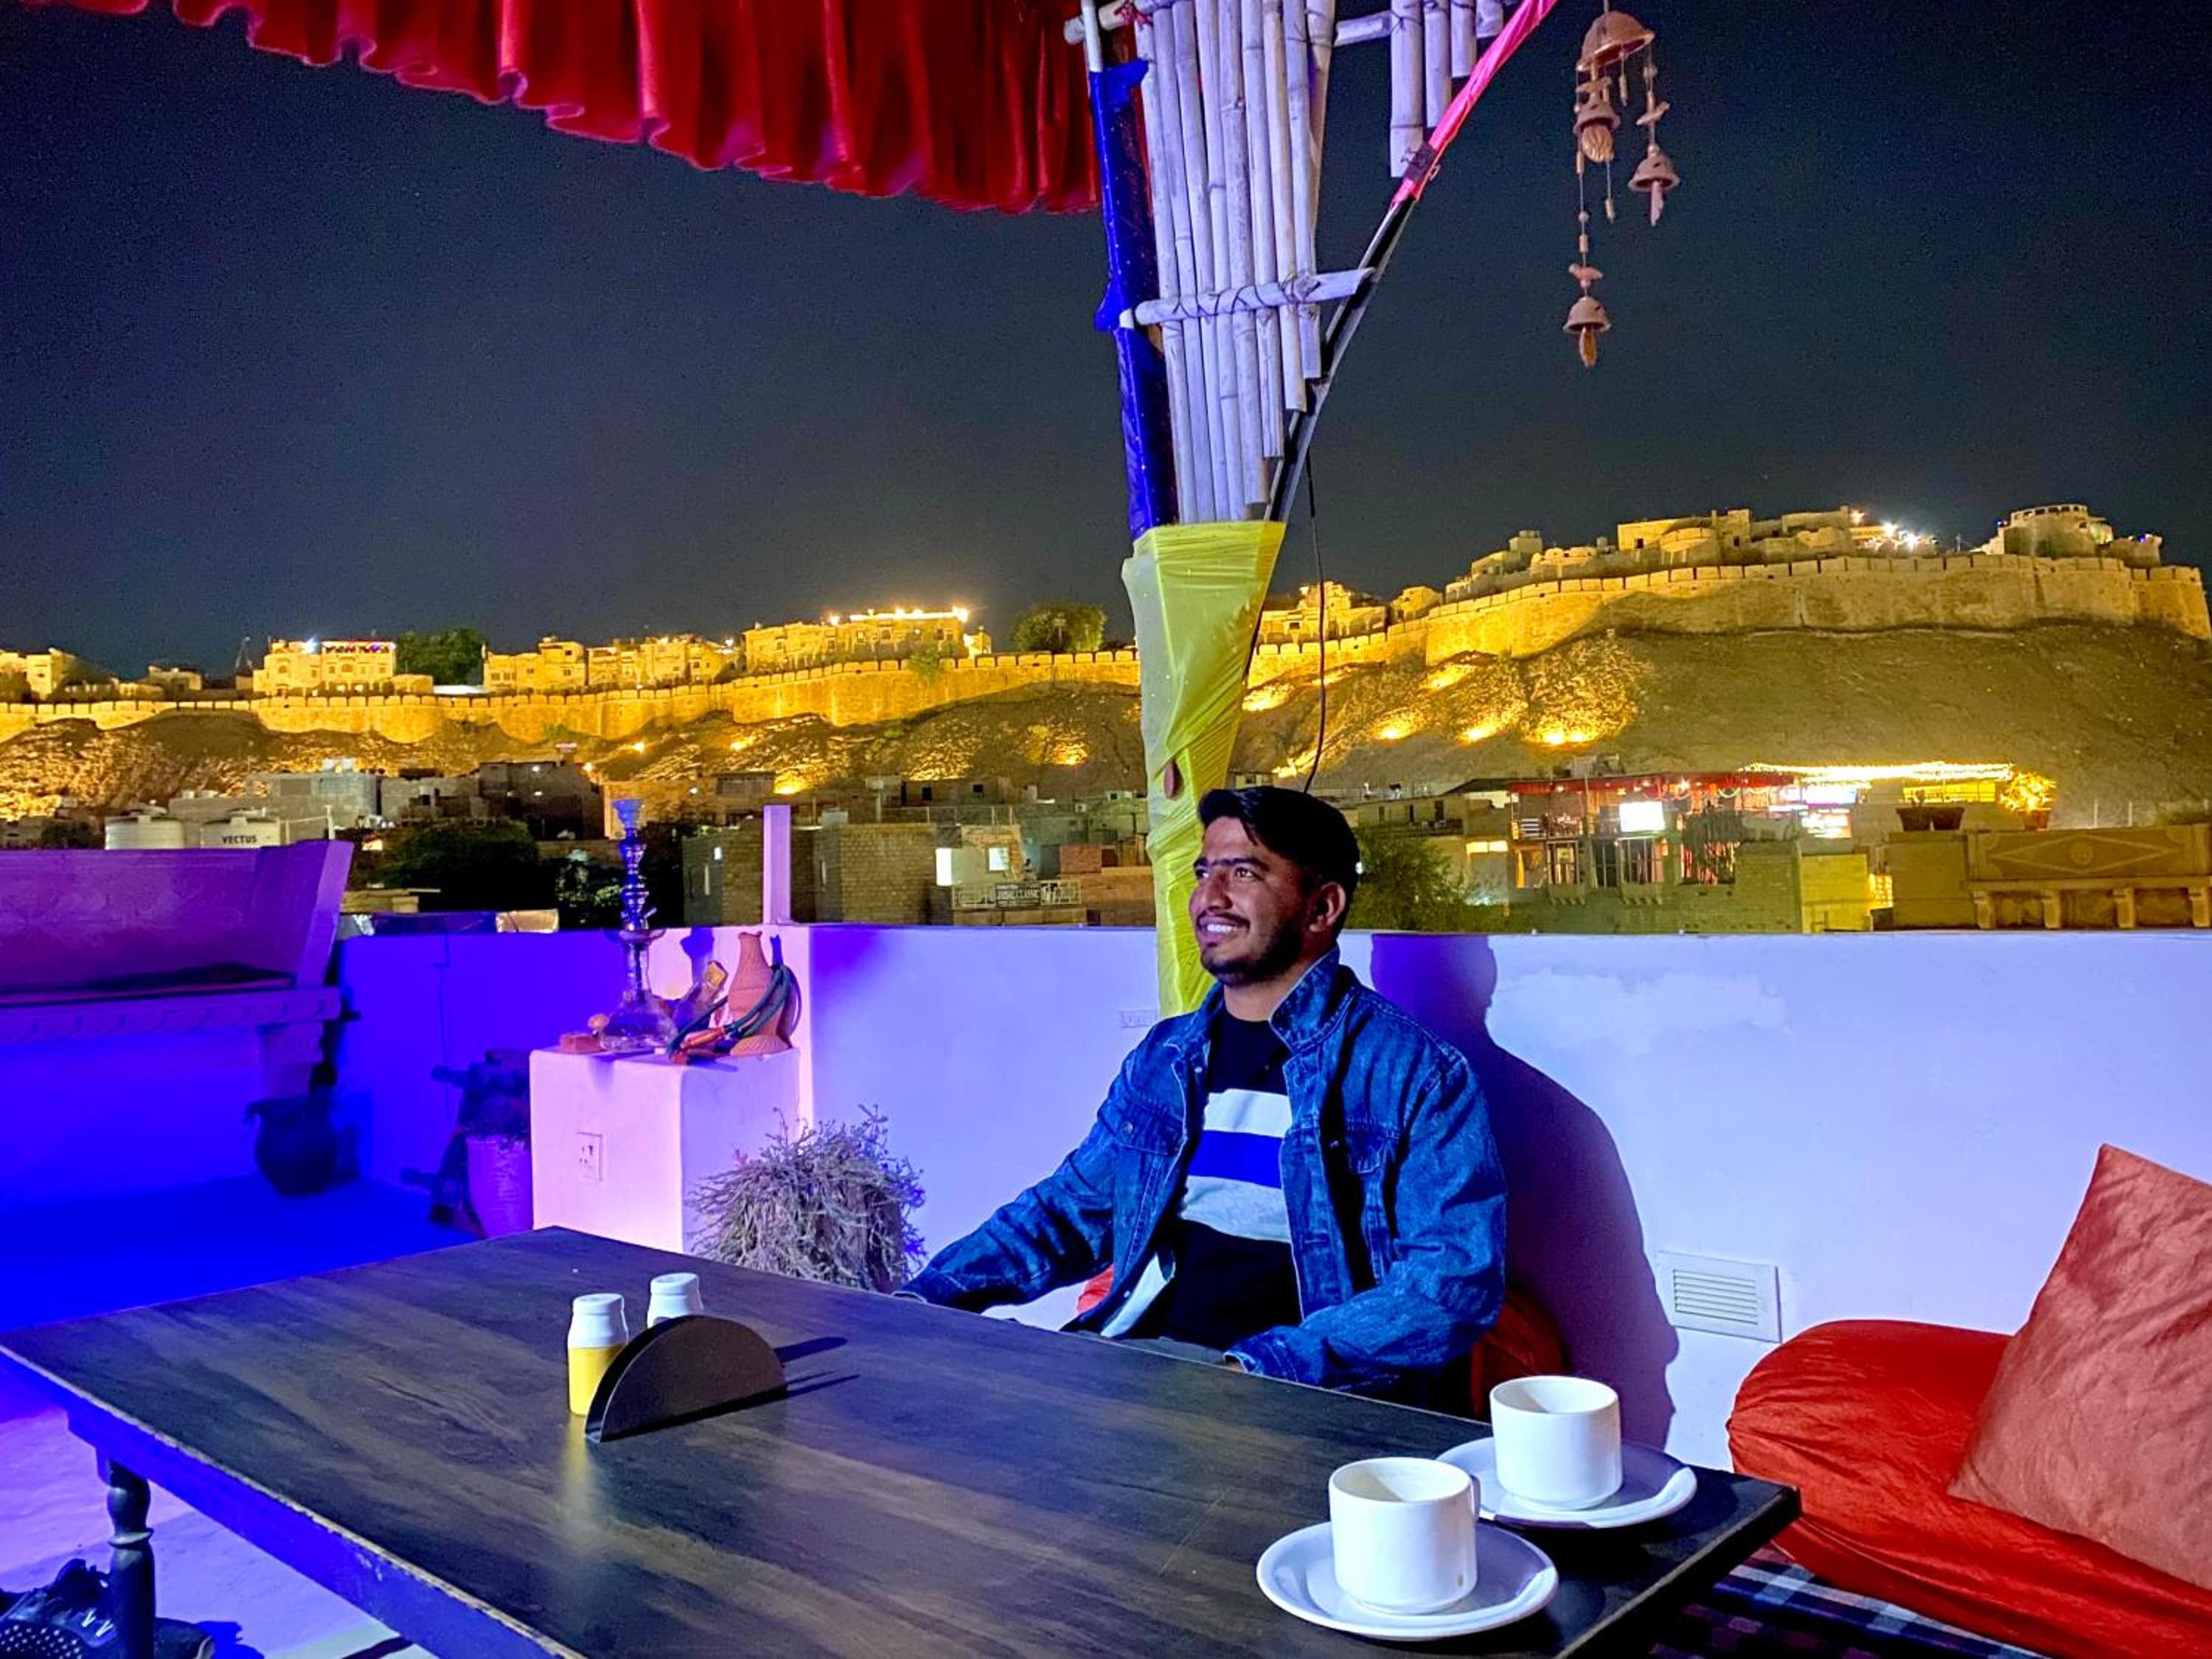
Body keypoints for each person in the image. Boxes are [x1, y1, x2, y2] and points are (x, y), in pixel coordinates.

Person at [902, 785, 1505, 1399]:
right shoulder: (1166, 1058)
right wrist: (926, 1297)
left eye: (1243, 872)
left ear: (1322, 907)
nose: (1209, 897)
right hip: (1145, 1366)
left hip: (1300, 1393)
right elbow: (1068, 1211)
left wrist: (1258, 1368)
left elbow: (1451, 1285)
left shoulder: (1415, 1073)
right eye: (1203, 872)